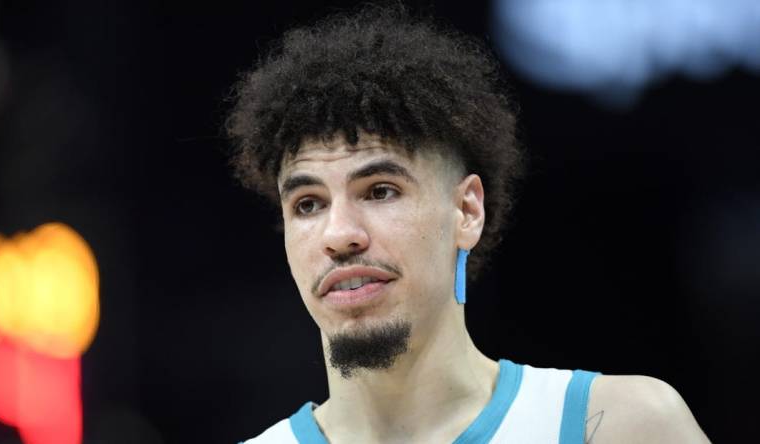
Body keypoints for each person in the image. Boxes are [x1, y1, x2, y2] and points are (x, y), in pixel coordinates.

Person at [226, 4, 710, 443]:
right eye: (308, 204)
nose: (339, 235)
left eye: (379, 191)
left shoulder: (621, 425)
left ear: (467, 212)